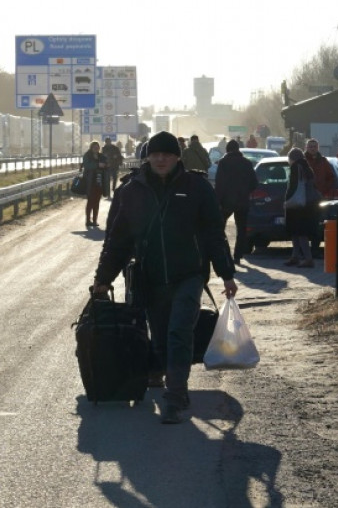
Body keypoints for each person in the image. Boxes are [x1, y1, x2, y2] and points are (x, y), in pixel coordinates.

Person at [93, 131, 237, 425]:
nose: (161, 159)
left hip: (189, 275)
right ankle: (168, 379)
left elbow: (213, 233)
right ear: (147, 157)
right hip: (150, 277)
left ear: (177, 157)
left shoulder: (196, 187)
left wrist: (226, 274)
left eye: (167, 154)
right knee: (159, 338)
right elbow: (118, 239)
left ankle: (175, 395)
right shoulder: (133, 191)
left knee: (179, 331)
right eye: (155, 154)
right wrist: (104, 278)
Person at [215, 139, 258, 265]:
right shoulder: (246, 163)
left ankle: (225, 252)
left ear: (227, 149)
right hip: (243, 200)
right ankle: (238, 255)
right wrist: (246, 191)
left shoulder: (223, 163)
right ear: (238, 149)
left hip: (226, 202)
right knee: (241, 229)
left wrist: (217, 200)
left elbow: (220, 184)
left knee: (220, 228)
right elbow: (254, 183)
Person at [283, 148, 320, 268]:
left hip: (297, 205)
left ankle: (307, 258)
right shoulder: (307, 167)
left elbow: (293, 187)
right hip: (307, 204)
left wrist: (287, 200)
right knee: (298, 231)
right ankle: (295, 256)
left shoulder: (296, 168)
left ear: (292, 158)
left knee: (299, 232)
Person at [81, 141, 108, 227]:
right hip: (90, 182)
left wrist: (106, 165)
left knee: (97, 201)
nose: (96, 149)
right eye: (94, 147)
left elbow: (107, 164)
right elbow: (87, 165)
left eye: (97, 147)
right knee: (90, 201)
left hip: (99, 182)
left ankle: (95, 220)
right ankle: (88, 220)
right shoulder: (87, 155)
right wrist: (97, 165)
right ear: (91, 148)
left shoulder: (101, 156)